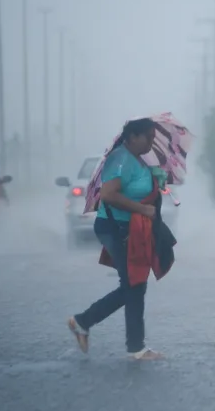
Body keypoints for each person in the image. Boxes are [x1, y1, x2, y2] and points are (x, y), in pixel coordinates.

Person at [68, 118, 164, 360]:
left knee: (134, 284)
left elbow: (136, 189)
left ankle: (86, 323)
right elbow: (109, 195)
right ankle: (133, 346)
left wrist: (155, 178)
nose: (152, 143)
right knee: (133, 284)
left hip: (129, 228)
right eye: (148, 138)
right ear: (132, 136)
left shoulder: (136, 159)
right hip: (115, 228)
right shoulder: (119, 159)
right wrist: (142, 210)